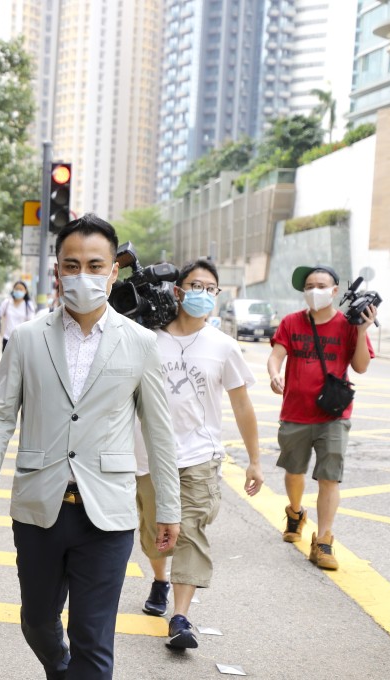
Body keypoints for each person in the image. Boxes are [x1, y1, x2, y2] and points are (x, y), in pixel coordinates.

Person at [0, 214, 180, 680]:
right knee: (36, 621)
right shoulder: (28, 338)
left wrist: (169, 508)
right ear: (57, 270)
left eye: (95, 265)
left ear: (114, 271)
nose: (83, 276)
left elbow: (159, 431)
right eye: (71, 265)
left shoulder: (140, 342)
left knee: (93, 637)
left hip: (107, 514)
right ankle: (61, 670)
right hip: (39, 510)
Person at [133, 259, 264, 651]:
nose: (202, 293)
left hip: (199, 456)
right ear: (177, 290)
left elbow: (242, 405)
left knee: (190, 530)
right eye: (195, 285)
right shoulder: (147, 338)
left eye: (210, 288)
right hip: (149, 457)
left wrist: (255, 460)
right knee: (154, 534)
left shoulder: (223, 346)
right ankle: (160, 579)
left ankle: (181, 617)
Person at [267, 264, 375, 571]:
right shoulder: (291, 322)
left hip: (333, 416)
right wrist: (275, 375)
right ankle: (296, 511)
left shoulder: (348, 324)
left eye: (321, 285)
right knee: (293, 471)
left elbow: (362, 366)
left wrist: (362, 331)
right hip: (295, 412)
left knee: (329, 477)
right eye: (309, 286)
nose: (315, 291)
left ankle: (324, 539)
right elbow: (276, 355)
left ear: (335, 291)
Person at [0, 280, 35, 348]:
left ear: (25, 291)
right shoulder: (7, 303)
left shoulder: (28, 305)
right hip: (7, 338)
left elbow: (31, 322)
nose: (18, 291)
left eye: (21, 289)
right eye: (16, 289)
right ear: (13, 290)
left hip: (22, 339)